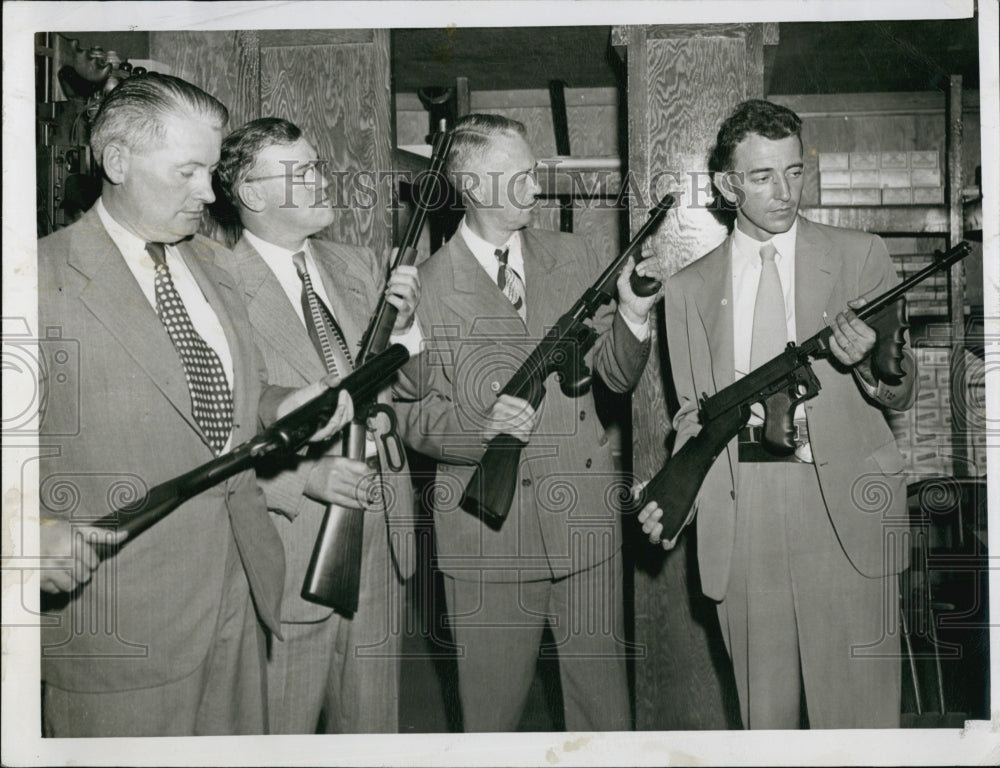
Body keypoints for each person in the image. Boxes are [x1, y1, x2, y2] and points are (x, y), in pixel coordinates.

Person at [37, 74, 350, 737]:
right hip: (122, 628)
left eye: (211, 171)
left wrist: (282, 401)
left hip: (242, 594)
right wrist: (24, 532)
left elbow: (215, 398)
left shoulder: (211, 261)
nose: (209, 193)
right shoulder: (38, 278)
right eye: (188, 171)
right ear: (117, 161)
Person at [639, 99, 916, 729]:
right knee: (767, 727)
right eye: (762, 177)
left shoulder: (860, 255)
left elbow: (901, 383)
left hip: (843, 506)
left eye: (794, 171)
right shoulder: (686, 290)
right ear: (726, 184)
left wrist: (872, 363)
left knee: (861, 730)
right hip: (744, 514)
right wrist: (673, 492)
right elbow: (692, 413)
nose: (785, 192)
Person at [394, 113, 663, 731]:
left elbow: (615, 379)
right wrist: (478, 425)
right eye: (516, 177)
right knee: (492, 721)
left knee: (604, 718)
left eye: (532, 172)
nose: (534, 188)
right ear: (470, 184)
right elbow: (407, 412)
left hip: (585, 525)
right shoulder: (425, 287)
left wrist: (633, 316)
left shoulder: (574, 256)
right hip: (486, 537)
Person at [215, 117, 421, 734]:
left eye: (316, 165)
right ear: (251, 194)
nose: (319, 179)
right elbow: (213, 425)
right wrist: (303, 475)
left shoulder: (362, 268)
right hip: (291, 547)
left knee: (374, 731)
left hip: (382, 535)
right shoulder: (218, 285)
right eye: (298, 171)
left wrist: (409, 331)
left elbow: (411, 392)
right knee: (282, 731)